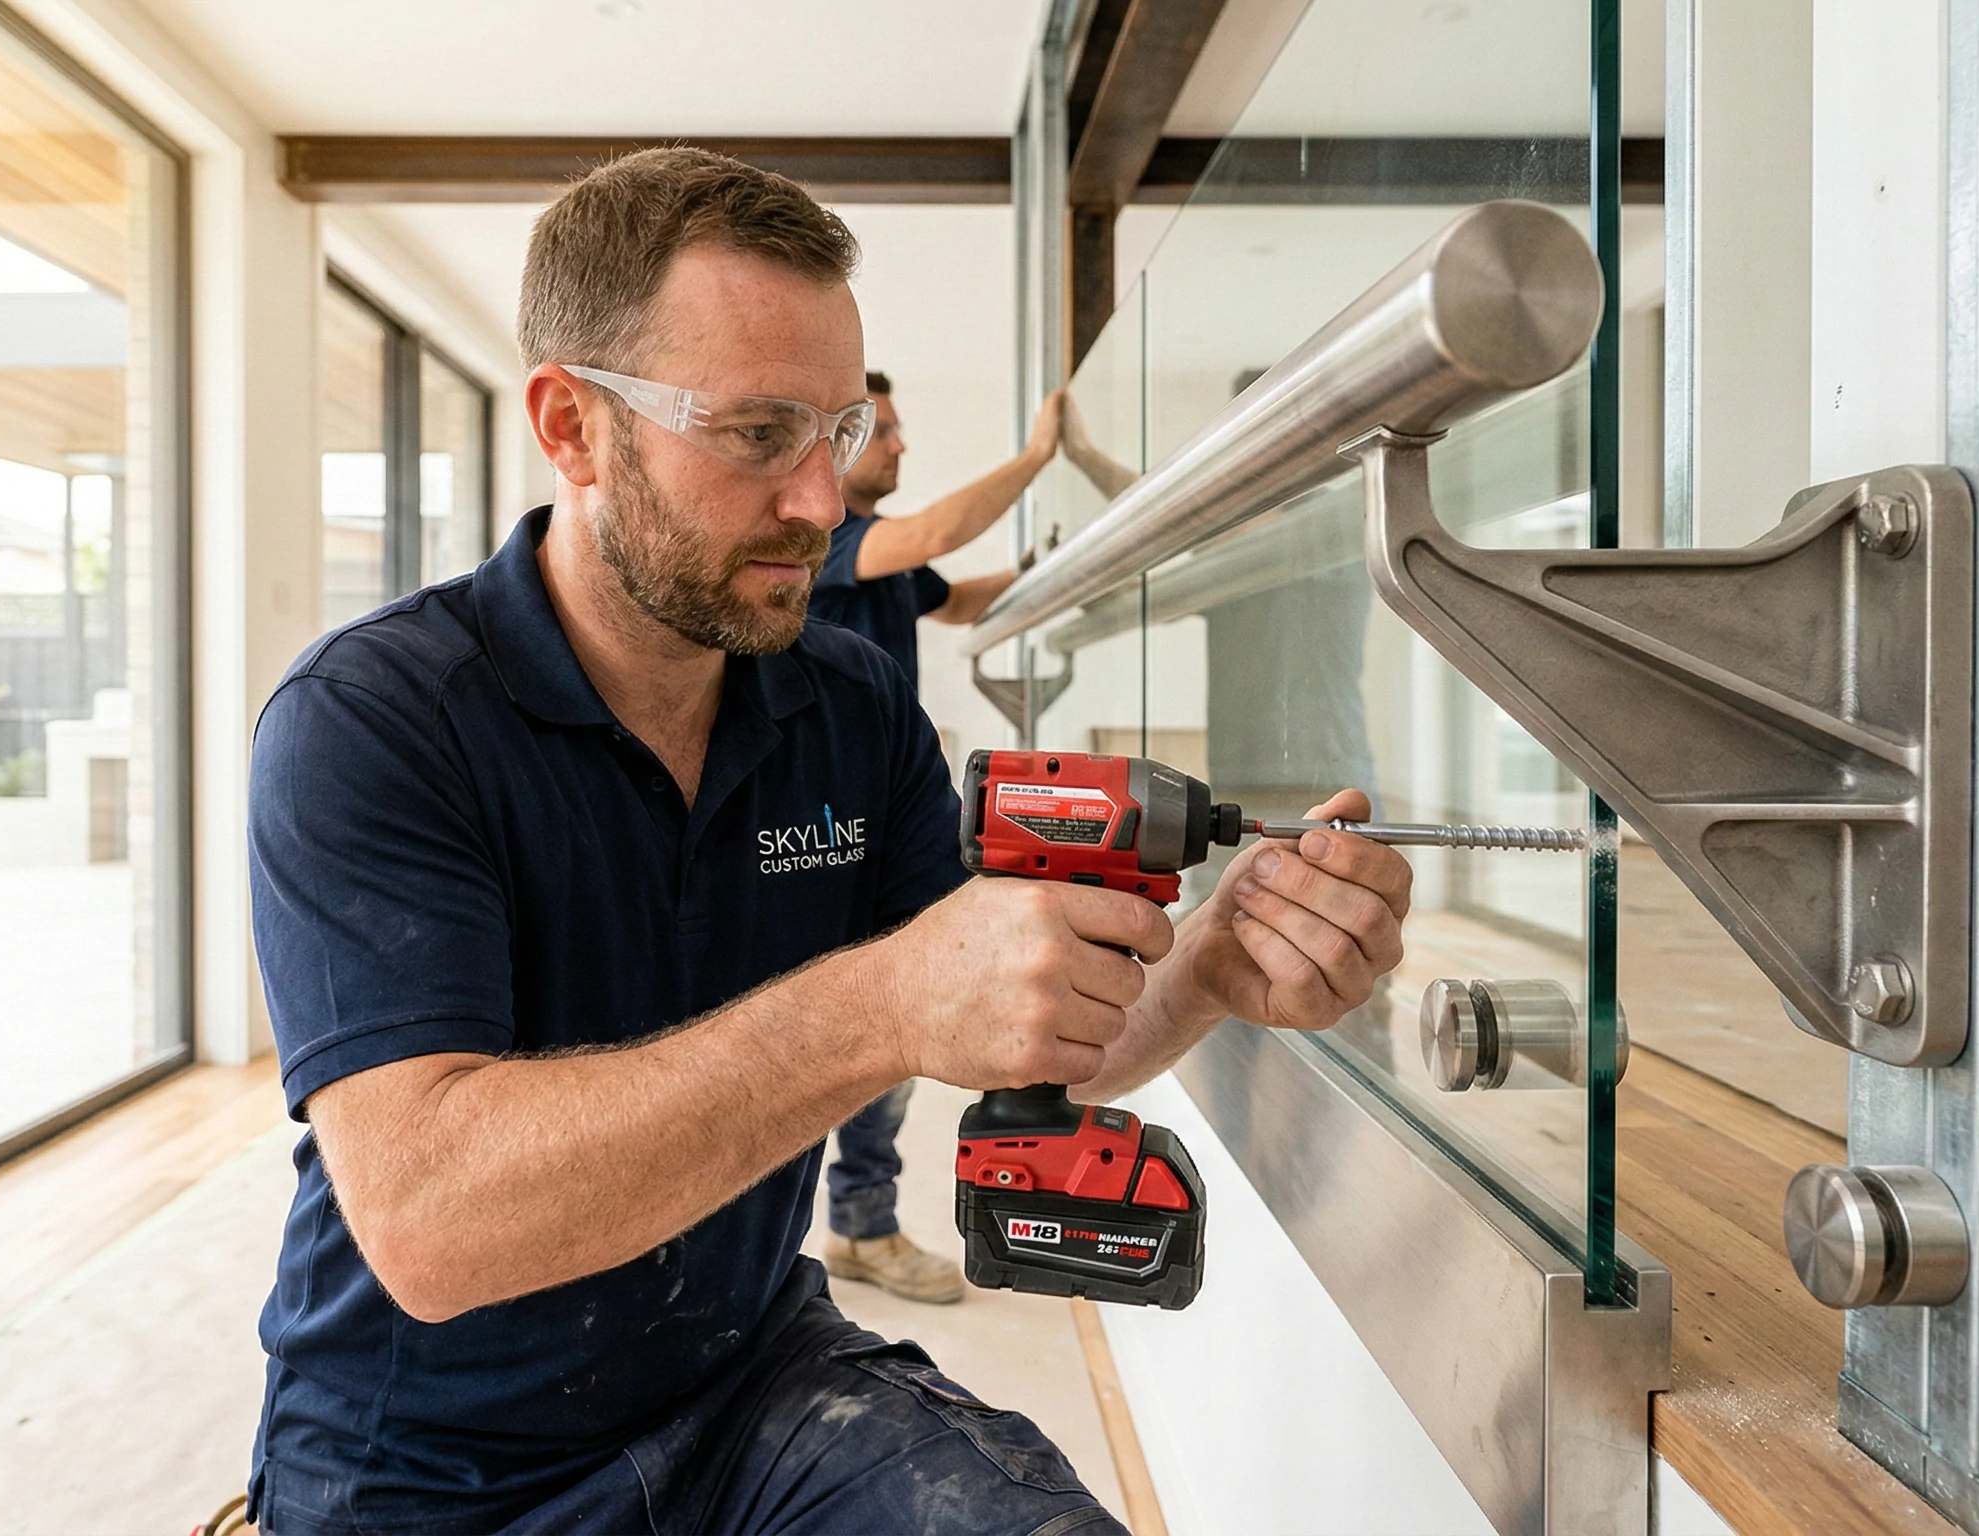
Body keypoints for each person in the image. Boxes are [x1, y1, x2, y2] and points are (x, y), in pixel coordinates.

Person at [244, 146, 1412, 1535]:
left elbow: (1016, 1022)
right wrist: (882, 1002)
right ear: (572, 427)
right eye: (755, 435)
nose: (821, 502)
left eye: (837, 433)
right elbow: (433, 1227)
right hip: (426, 1468)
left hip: (747, 1379)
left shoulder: (847, 701)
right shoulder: (373, 720)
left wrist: (1212, 963)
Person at [804, 372, 1063, 1306]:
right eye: (883, 432)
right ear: (838, 447)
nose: (900, 446)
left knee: (893, 1028)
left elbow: (952, 599)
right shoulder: (830, 539)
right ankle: (849, 1228)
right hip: (822, 825)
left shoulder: (881, 560)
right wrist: (1037, 457)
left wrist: (1049, 568)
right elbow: (935, 536)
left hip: (887, 813)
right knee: (844, 1030)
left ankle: (860, 1228)